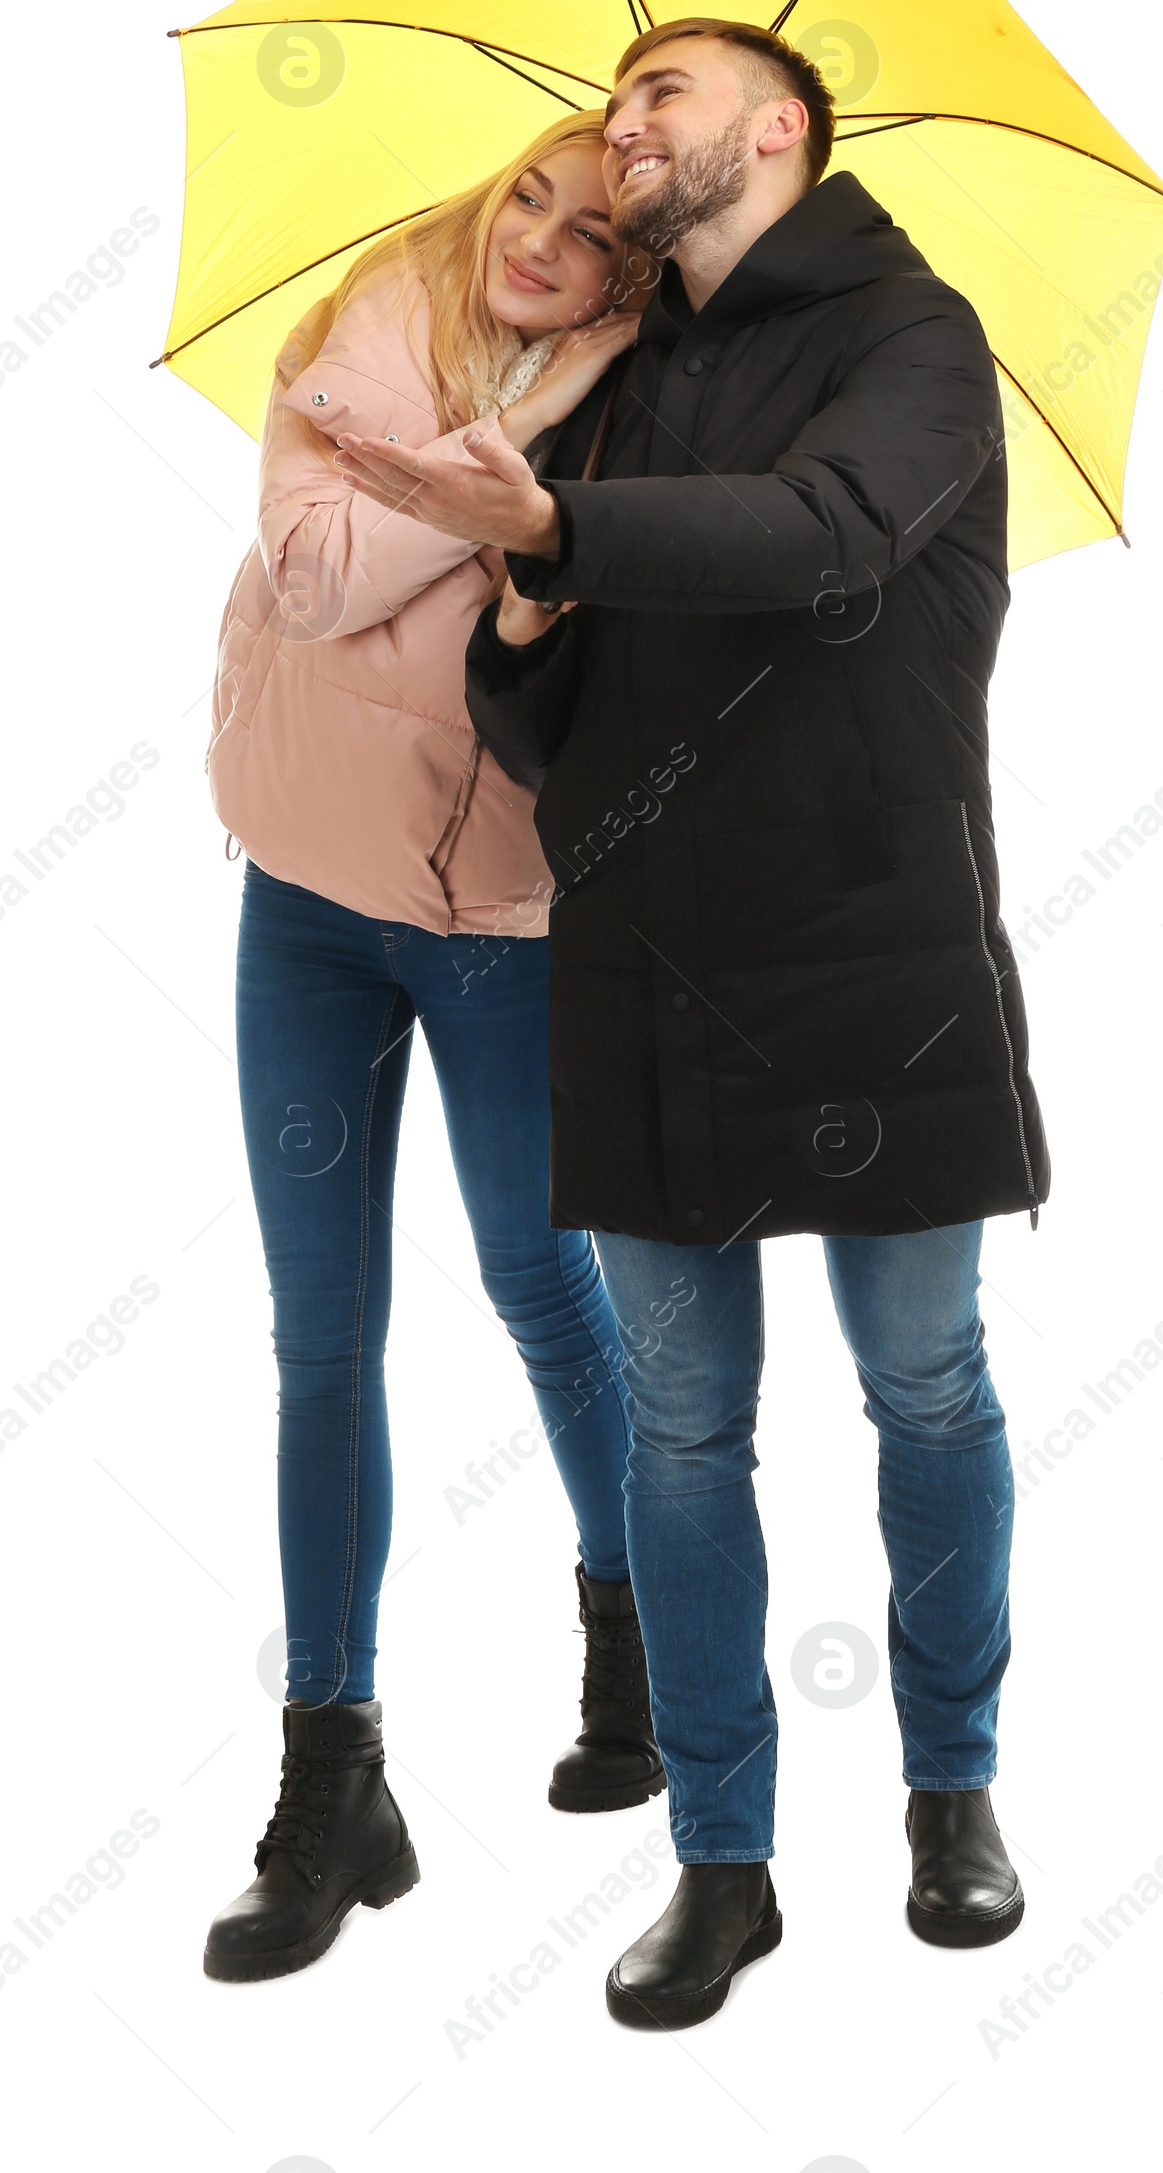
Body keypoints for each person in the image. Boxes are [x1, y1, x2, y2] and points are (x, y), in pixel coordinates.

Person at [334, 19, 1051, 2029]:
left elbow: (823, 535)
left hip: (874, 950)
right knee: (677, 1428)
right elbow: (552, 735)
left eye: (659, 94)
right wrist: (523, 615)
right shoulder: (612, 389)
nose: (620, 123)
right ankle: (718, 1862)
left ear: (770, 131)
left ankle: (949, 1794)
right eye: (617, 97)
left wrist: (558, 538)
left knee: (924, 1392)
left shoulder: (912, 337)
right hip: (646, 962)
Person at [201, 111, 664, 1988]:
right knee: (324, 1341)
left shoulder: (660, 408)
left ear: (640, 287)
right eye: (530, 196)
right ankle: (334, 1774)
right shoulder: (386, 305)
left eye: (596, 242)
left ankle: (629, 1638)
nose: (541, 242)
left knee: (542, 1291)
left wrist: (561, 505)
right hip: (306, 898)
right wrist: (515, 478)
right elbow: (313, 577)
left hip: (510, 927)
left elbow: (632, 667)